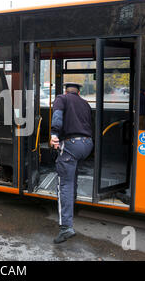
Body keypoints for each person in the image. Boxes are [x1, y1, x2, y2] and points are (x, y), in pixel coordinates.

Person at [50, 82, 94, 244]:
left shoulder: (61, 98)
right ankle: (71, 207)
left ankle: (66, 227)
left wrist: (54, 135)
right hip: (87, 144)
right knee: (72, 177)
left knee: (64, 184)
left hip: (71, 145)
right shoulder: (85, 103)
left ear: (66, 90)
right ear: (78, 92)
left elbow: (57, 117)